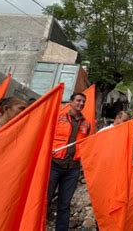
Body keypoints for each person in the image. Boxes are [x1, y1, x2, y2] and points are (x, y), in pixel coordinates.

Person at [48, 93, 91, 231]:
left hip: (73, 168)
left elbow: (84, 144)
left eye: (83, 101)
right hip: (54, 164)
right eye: (78, 100)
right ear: (71, 102)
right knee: (45, 200)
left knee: (64, 204)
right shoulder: (58, 117)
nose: (81, 103)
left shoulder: (86, 123)